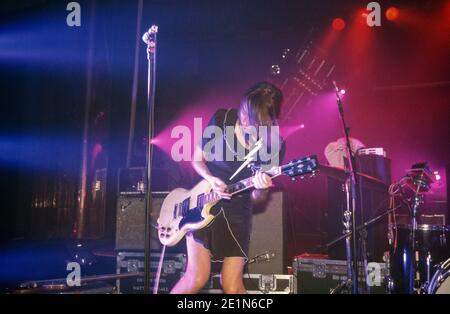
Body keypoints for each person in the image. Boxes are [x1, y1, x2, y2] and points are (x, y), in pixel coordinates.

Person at [170, 82, 285, 294]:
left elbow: (257, 200)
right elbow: (197, 160)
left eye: (251, 119)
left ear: (269, 121)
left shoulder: (274, 146)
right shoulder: (222, 119)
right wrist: (210, 178)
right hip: (203, 199)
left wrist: (262, 189)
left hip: (237, 212)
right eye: (243, 113)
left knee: (232, 286)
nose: (243, 120)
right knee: (196, 277)